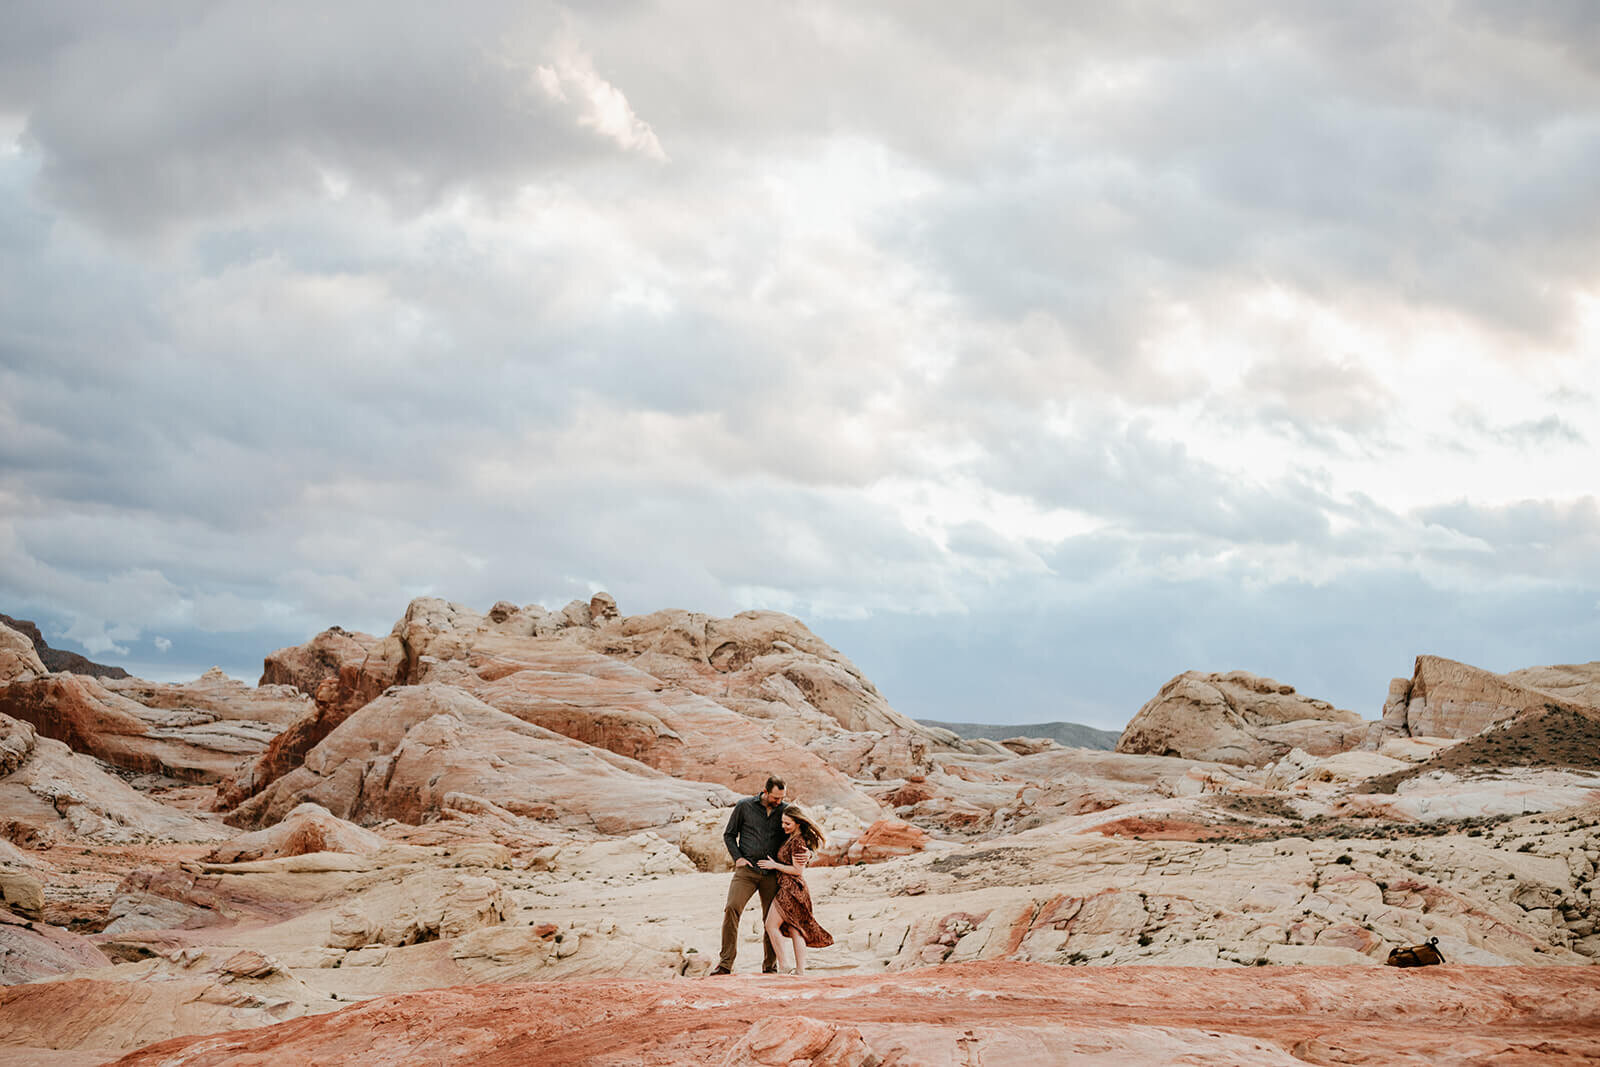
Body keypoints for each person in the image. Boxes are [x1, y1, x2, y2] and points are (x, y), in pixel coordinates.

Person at [710, 775, 787, 975]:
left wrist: (804, 855)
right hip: (747, 871)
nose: (779, 802)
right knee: (732, 908)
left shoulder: (785, 810)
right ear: (765, 791)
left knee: (770, 920)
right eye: (776, 797)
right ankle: (725, 963)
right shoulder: (744, 806)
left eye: (782, 798)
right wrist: (738, 858)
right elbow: (729, 834)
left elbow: (799, 834)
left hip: (772, 873)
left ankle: (770, 967)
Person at [758, 806, 833, 976]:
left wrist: (775, 865)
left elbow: (798, 870)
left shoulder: (798, 841)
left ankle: (784, 965)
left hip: (790, 888)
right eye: (783, 822)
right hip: (793, 888)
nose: (783, 826)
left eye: (788, 823)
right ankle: (800, 971)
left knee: (771, 925)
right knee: (795, 928)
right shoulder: (792, 838)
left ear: (798, 823)